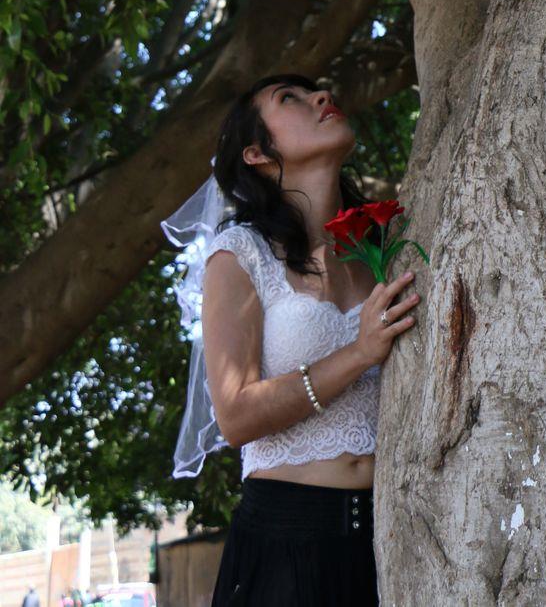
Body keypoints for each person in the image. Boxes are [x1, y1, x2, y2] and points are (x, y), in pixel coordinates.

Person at [161, 73, 420, 604]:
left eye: (318, 92)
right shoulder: (239, 255)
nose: (323, 97)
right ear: (257, 154)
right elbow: (235, 417)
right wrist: (359, 354)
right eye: (290, 99)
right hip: (284, 548)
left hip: (397, 538)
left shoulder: (388, 245)